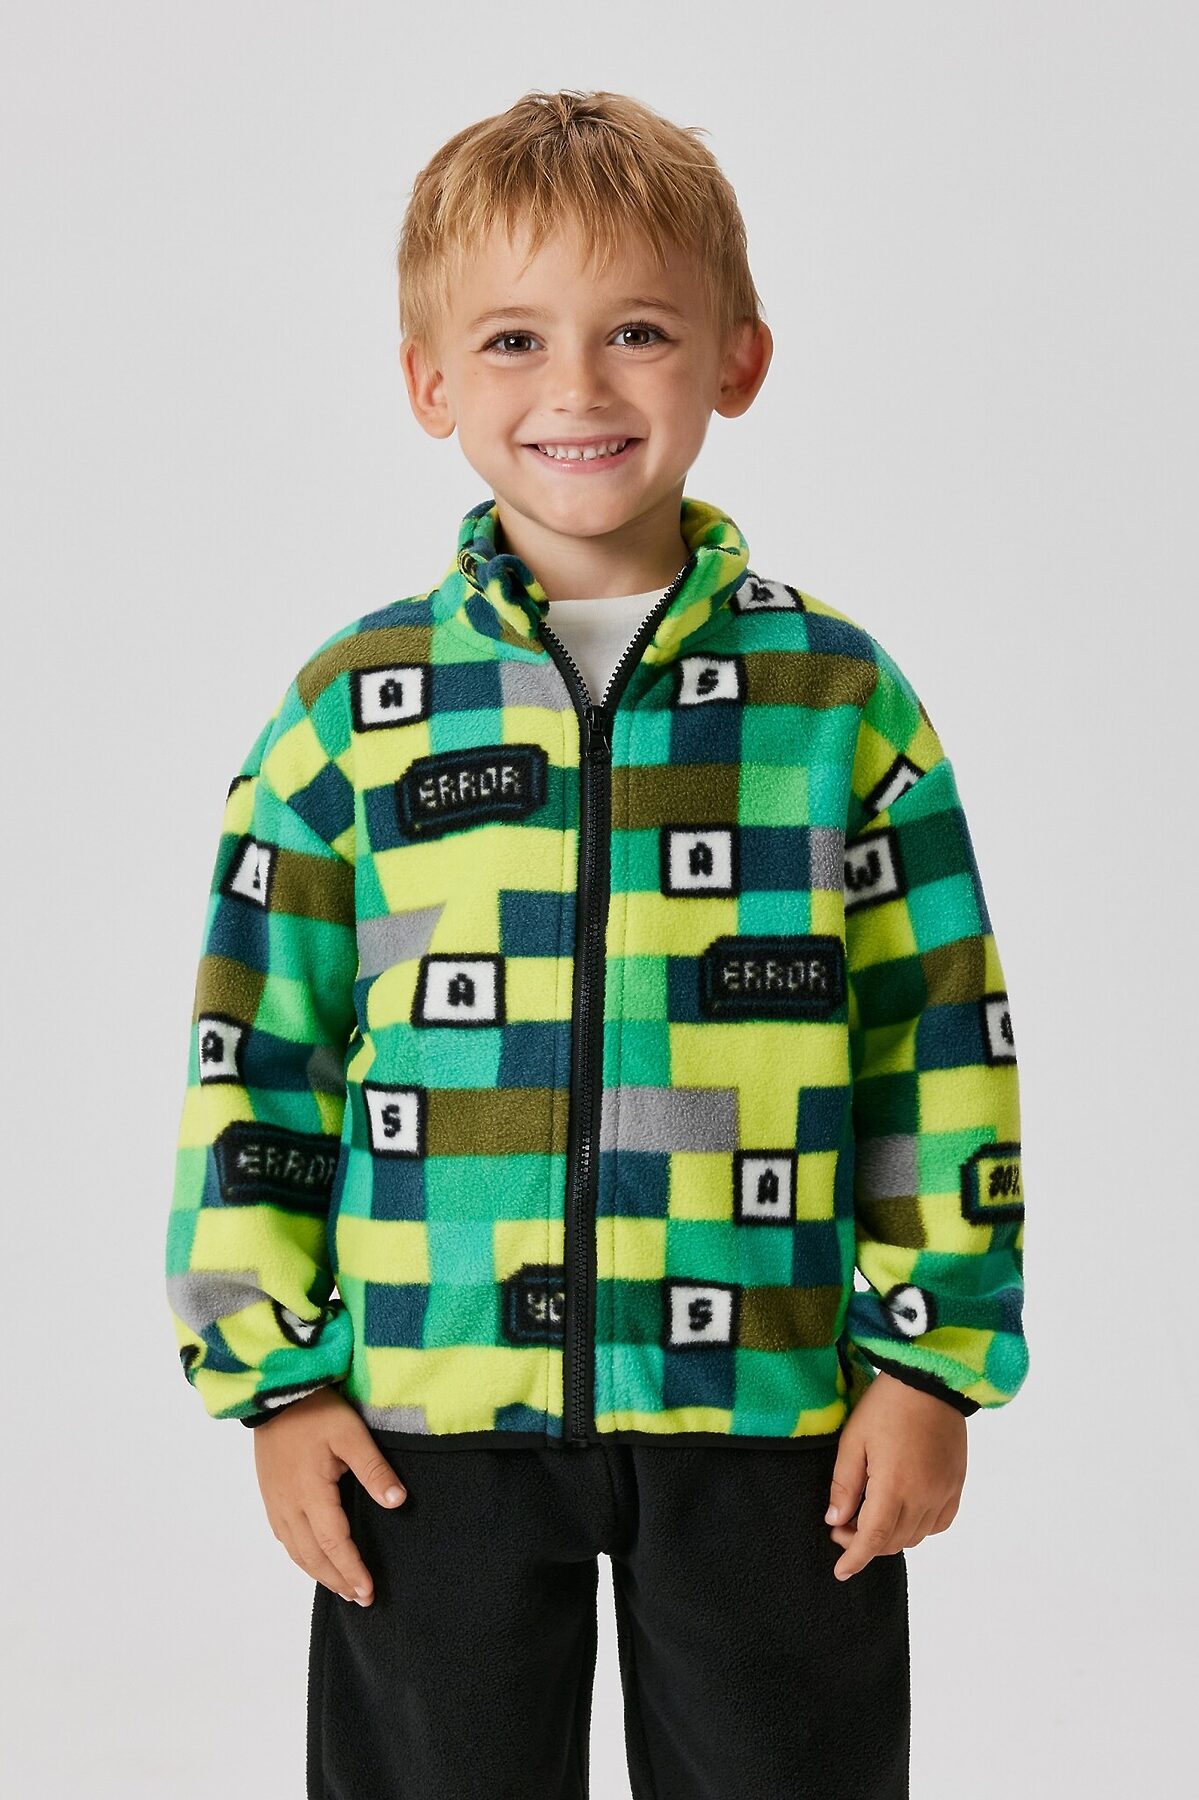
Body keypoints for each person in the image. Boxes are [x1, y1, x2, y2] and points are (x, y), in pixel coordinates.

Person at [164, 87, 1027, 1800]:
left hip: (771, 1404)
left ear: (736, 360)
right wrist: (275, 1383)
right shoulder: (354, 711)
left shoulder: (837, 700)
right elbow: (256, 1050)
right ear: (429, 382)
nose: (577, 386)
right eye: (512, 340)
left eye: (637, 330)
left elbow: (937, 1037)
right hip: (427, 1411)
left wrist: (932, 1360)